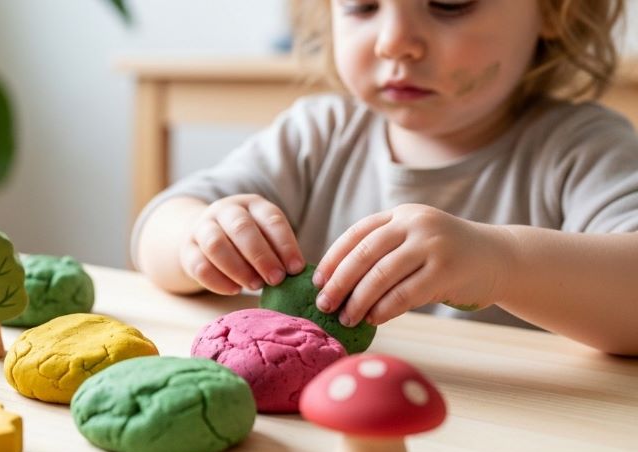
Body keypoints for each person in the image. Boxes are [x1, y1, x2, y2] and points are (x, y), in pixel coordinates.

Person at [132, 0, 638, 356]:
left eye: (449, 3)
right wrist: (200, 238)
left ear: (554, 8)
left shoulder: (582, 147)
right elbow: (158, 229)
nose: (395, 43)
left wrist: (501, 262)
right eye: (362, 5)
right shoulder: (316, 134)